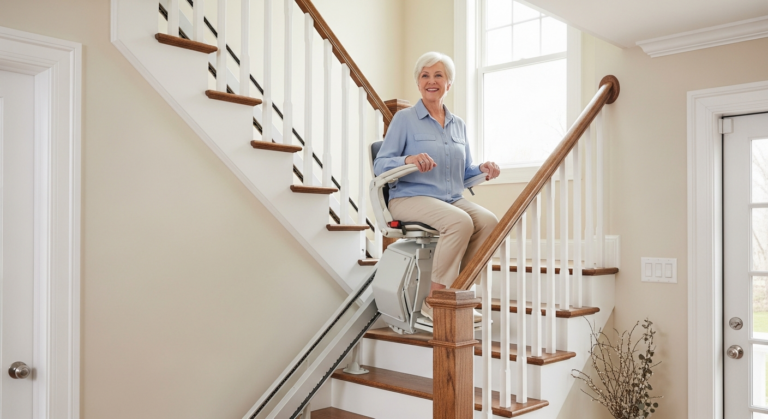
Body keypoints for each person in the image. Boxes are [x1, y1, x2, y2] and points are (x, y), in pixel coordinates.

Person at [373, 51, 500, 321]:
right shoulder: (404, 120)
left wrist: (482, 170)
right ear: (418, 83)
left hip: (450, 198)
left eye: (438, 75)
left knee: (490, 223)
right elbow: (381, 165)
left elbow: (463, 174)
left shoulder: (459, 125)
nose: (432, 81)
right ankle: (436, 301)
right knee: (460, 222)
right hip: (409, 198)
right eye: (425, 75)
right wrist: (409, 159)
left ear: (449, 83)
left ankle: (457, 295)